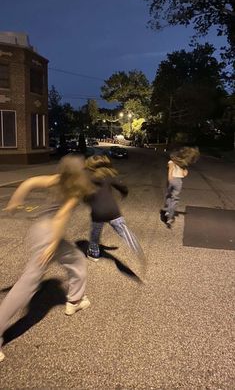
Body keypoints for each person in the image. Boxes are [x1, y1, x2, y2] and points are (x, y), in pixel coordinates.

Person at [0, 155, 95, 362]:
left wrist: (16, 199)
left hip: (39, 229)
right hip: (50, 235)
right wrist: (52, 243)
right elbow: (62, 217)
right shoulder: (76, 190)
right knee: (28, 282)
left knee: (76, 259)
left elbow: (30, 182)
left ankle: (75, 300)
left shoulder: (56, 180)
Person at [84, 155, 145, 264]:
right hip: (112, 210)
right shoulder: (108, 176)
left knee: (95, 233)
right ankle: (134, 245)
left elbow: (84, 195)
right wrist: (124, 192)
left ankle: (94, 252)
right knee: (123, 230)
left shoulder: (87, 178)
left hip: (98, 212)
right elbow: (122, 187)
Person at [163, 147, 200, 227]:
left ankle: (167, 209)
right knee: (175, 198)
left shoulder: (171, 162)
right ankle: (170, 215)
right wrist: (185, 171)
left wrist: (169, 180)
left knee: (168, 195)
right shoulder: (183, 165)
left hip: (171, 180)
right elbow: (184, 174)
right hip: (178, 182)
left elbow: (170, 171)